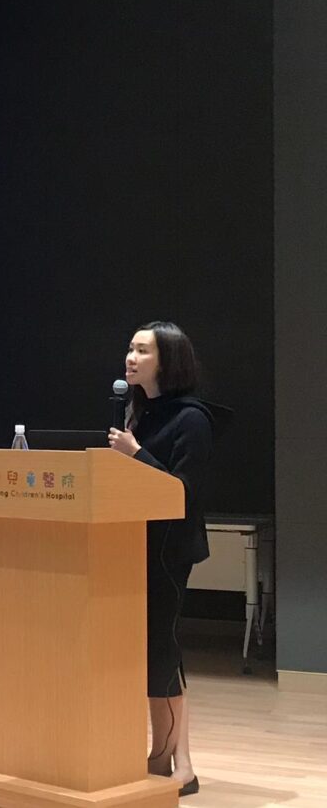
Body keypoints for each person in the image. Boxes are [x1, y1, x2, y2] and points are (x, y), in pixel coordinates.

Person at [106, 321, 231, 798]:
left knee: (163, 650)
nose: (131, 357)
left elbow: (183, 492)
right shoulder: (141, 412)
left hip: (169, 552)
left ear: (167, 361)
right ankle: (160, 756)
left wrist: (135, 453)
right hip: (133, 545)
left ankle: (184, 765)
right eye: (130, 348)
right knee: (148, 653)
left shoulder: (191, 419)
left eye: (142, 350)